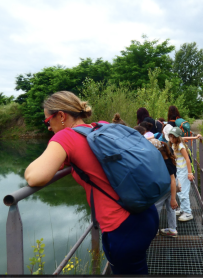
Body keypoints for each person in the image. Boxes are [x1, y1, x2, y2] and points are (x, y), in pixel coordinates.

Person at [24, 91, 159, 275]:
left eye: (47, 121)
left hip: (122, 227)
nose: (48, 128)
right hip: (146, 213)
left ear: (61, 116)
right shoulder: (101, 126)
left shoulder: (66, 138)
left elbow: (34, 176)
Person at [149, 139, 178, 237]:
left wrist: (174, 199)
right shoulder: (169, 158)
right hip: (170, 188)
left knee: (156, 207)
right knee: (171, 208)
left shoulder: (166, 163)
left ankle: (154, 229)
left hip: (166, 188)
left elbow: (172, 180)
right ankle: (172, 229)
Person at [167, 126, 196, 222]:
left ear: (177, 137)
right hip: (178, 170)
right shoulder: (174, 143)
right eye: (170, 136)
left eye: (173, 137)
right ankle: (182, 209)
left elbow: (187, 159)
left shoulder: (180, 145)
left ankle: (188, 213)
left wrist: (190, 173)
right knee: (178, 190)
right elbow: (185, 138)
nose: (172, 138)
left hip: (183, 170)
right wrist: (195, 137)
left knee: (183, 191)